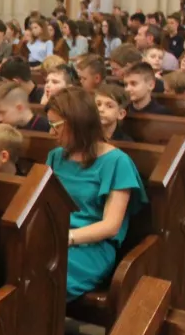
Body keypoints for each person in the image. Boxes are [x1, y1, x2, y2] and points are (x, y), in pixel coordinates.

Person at [44, 88, 146, 301]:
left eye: (56, 126)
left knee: (42, 276)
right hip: (56, 238)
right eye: (50, 125)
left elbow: (110, 226)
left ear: (78, 122)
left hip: (91, 247)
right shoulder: (55, 156)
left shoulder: (117, 162)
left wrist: (67, 238)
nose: (51, 133)